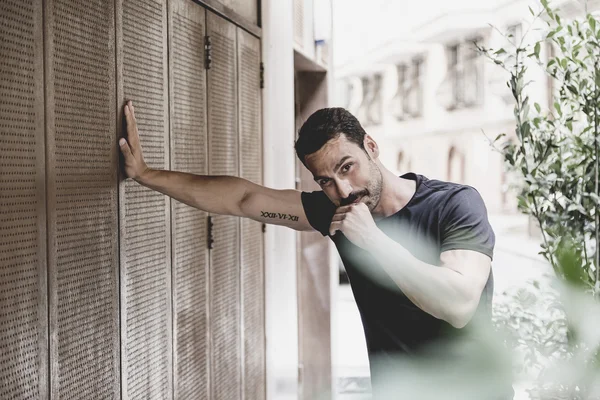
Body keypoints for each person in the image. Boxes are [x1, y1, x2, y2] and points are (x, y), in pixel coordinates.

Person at [119, 101, 513, 399]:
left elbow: (459, 306)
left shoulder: (455, 204)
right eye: (325, 180)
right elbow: (242, 197)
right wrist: (147, 174)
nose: (342, 190)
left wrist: (373, 240)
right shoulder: (337, 213)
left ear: (371, 147)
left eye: (347, 167)